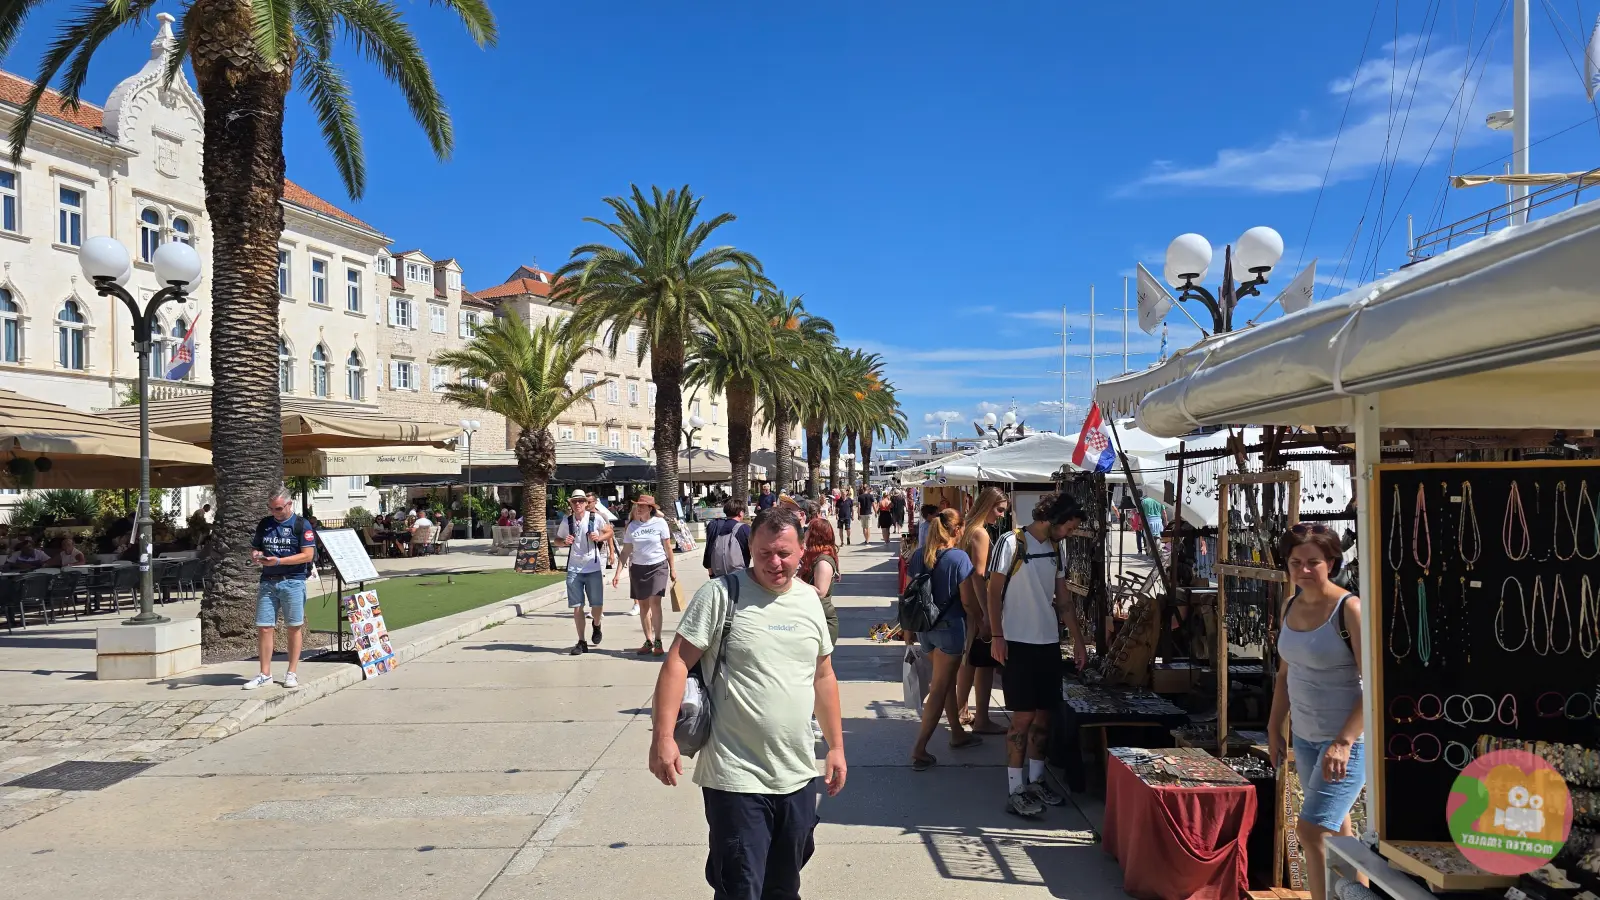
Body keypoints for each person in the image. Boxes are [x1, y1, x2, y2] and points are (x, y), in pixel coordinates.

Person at [649, 507, 846, 899]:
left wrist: (837, 747)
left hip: (797, 774)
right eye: (764, 553)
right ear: (750, 550)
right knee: (741, 889)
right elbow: (675, 663)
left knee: (785, 888)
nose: (775, 563)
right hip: (735, 778)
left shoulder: (810, 601)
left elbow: (823, 677)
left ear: (802, 550)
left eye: (785, 554)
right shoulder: (721, 596)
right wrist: (662, 736)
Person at [1268, 524, 1365, 900]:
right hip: (1306, 738)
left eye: (1313, 562)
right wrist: (1275, 726)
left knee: (1311, 832)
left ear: (1332, 562)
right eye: (1295, 562)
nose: (1303, 570)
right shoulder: (1290, 605)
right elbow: (1284, 674)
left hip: (1344, 742)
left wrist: (1344, 741)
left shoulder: (1349, 610)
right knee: (1339, 831)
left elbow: (1371, 685)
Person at [988, 492, 1088, 817]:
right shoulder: (1011, 543)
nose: (1070, 533)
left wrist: (1078, 640)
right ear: (1054, 519)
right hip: (1016, 643)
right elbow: (992, 590)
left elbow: (1063, 599)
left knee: (1044, 718)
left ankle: (1036, 780)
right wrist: (996, 635)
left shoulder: (1056, 549)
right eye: (1069, 527)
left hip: (1047, 644)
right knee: (1021, 719)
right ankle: (1015, 789)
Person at [907, 508, 982, 770]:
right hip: (950, 628)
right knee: (939, 688)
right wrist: (982, 622)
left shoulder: (919, 555)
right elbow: (967, 600)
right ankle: (920, 749)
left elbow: (908, 595)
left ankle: (958, 735)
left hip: (925, 628)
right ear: (957, 530)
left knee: (945, 682)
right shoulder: (959, 558)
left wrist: (907, 631)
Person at [244, 487, 317, 690]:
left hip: (293, 580)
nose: (274, 513)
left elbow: (307, 555)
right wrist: (257, 555)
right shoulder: (265, 524)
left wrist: (279, 561)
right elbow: (256, 546)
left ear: (288, 504)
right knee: (264, 626)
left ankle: (291, 673)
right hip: (268, 581)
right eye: (271, 509)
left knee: (293, 626)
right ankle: (264, 673)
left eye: (278, 509)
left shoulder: (301, 525)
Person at [955, 487, 1009, 735]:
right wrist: (986, 613)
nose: (1000, 515)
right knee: (983, 663)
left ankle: (962, 708)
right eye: (999, 510)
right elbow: (979, 574)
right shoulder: (980, 533)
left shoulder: (966, 528)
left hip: (966, 602)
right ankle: (983, 718)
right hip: (976, 604)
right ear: (988, 505)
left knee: (970, 659)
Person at [614, 495, 676, 656]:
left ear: (650, 508)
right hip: (638, 569)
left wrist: (673, 569)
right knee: (643, 607)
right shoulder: (632, 526)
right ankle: (648, 641)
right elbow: (626, 550)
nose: (639, 508)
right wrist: (618, 572)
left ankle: (658, 640)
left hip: (658, 566)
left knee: (655, 602)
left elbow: (668, 548)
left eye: (642, 506)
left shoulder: (660, 523)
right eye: (637, 505)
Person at [556, 490, 611, 655]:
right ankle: (581, 641)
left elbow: (609, 531)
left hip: (593, 568)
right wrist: (564, 542)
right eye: (574, 501)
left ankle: (596, 624)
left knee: (597, 605)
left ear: (586, 503)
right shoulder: (567, 521)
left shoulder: (595, 518)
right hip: (574, 569)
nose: (578, 504)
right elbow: (557, 540)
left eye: (581, 501)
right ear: (571, 504)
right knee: (577, 607)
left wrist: (599, 538)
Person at [798, 517, 841, 647]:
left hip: (822, 620)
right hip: (811, 616)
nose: (805, 533)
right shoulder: (813, 556)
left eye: (808, 530)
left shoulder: (823, 562)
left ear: (815, 535)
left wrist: (795, 580)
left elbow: (820, 592)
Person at [703, 499, 751, 578]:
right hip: (739, 576)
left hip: (718, 575)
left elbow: (708, 551)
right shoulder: (744, 528)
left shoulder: (715, 526)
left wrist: (711, 573)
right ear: (741, 513)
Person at [1139, 493, 1165, 557]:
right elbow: (1164, 512)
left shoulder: (1144, 501)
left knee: (1148, 538)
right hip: (1158, 521)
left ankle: (1150, 554)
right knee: (1157, 537)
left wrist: (1140, 523)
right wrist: (1166, 522)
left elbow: (1141, 514)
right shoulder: (1159, 500)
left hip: (1148, 521)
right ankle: (1158, 553)